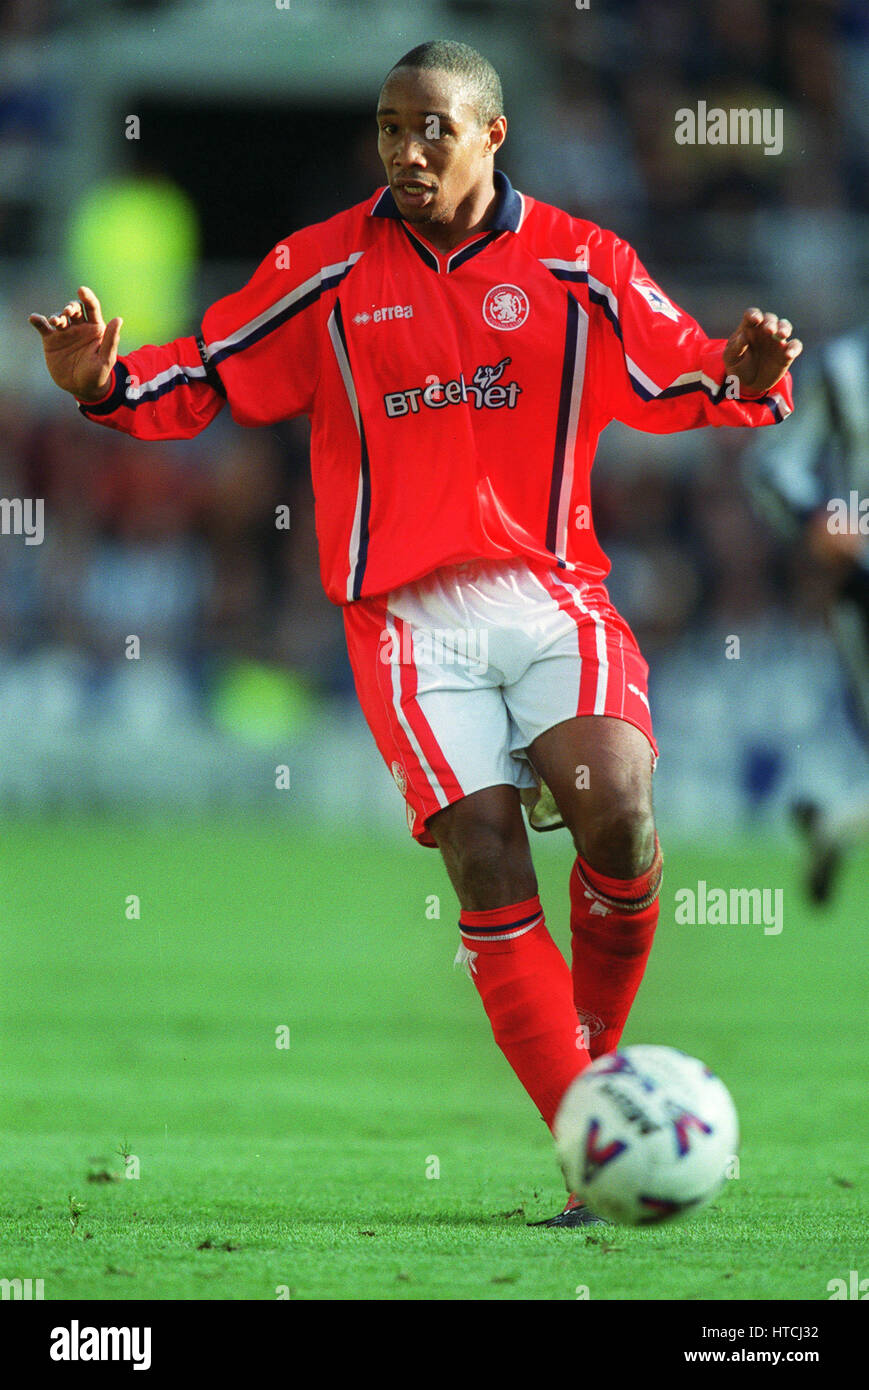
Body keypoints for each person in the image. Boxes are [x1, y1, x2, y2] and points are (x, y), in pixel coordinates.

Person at [30, 40, 801, 1226]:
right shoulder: (323, 266)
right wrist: (102, 384)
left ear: (492, 134)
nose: (404, 149)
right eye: (390, 128)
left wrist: (739, 372)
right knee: (487, 854)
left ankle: (597, 1073)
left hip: (551, 592)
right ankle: (591, 1143)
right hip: (403, 618)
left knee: (620, 816)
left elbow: (673, 372)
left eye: (431, 127)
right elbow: (215, 370)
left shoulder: (579, 262)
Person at [744, 323, 869, 904]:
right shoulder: (846, 366)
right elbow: (773, 466)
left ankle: (836, 824)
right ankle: (836, 824)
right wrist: (819, 521)